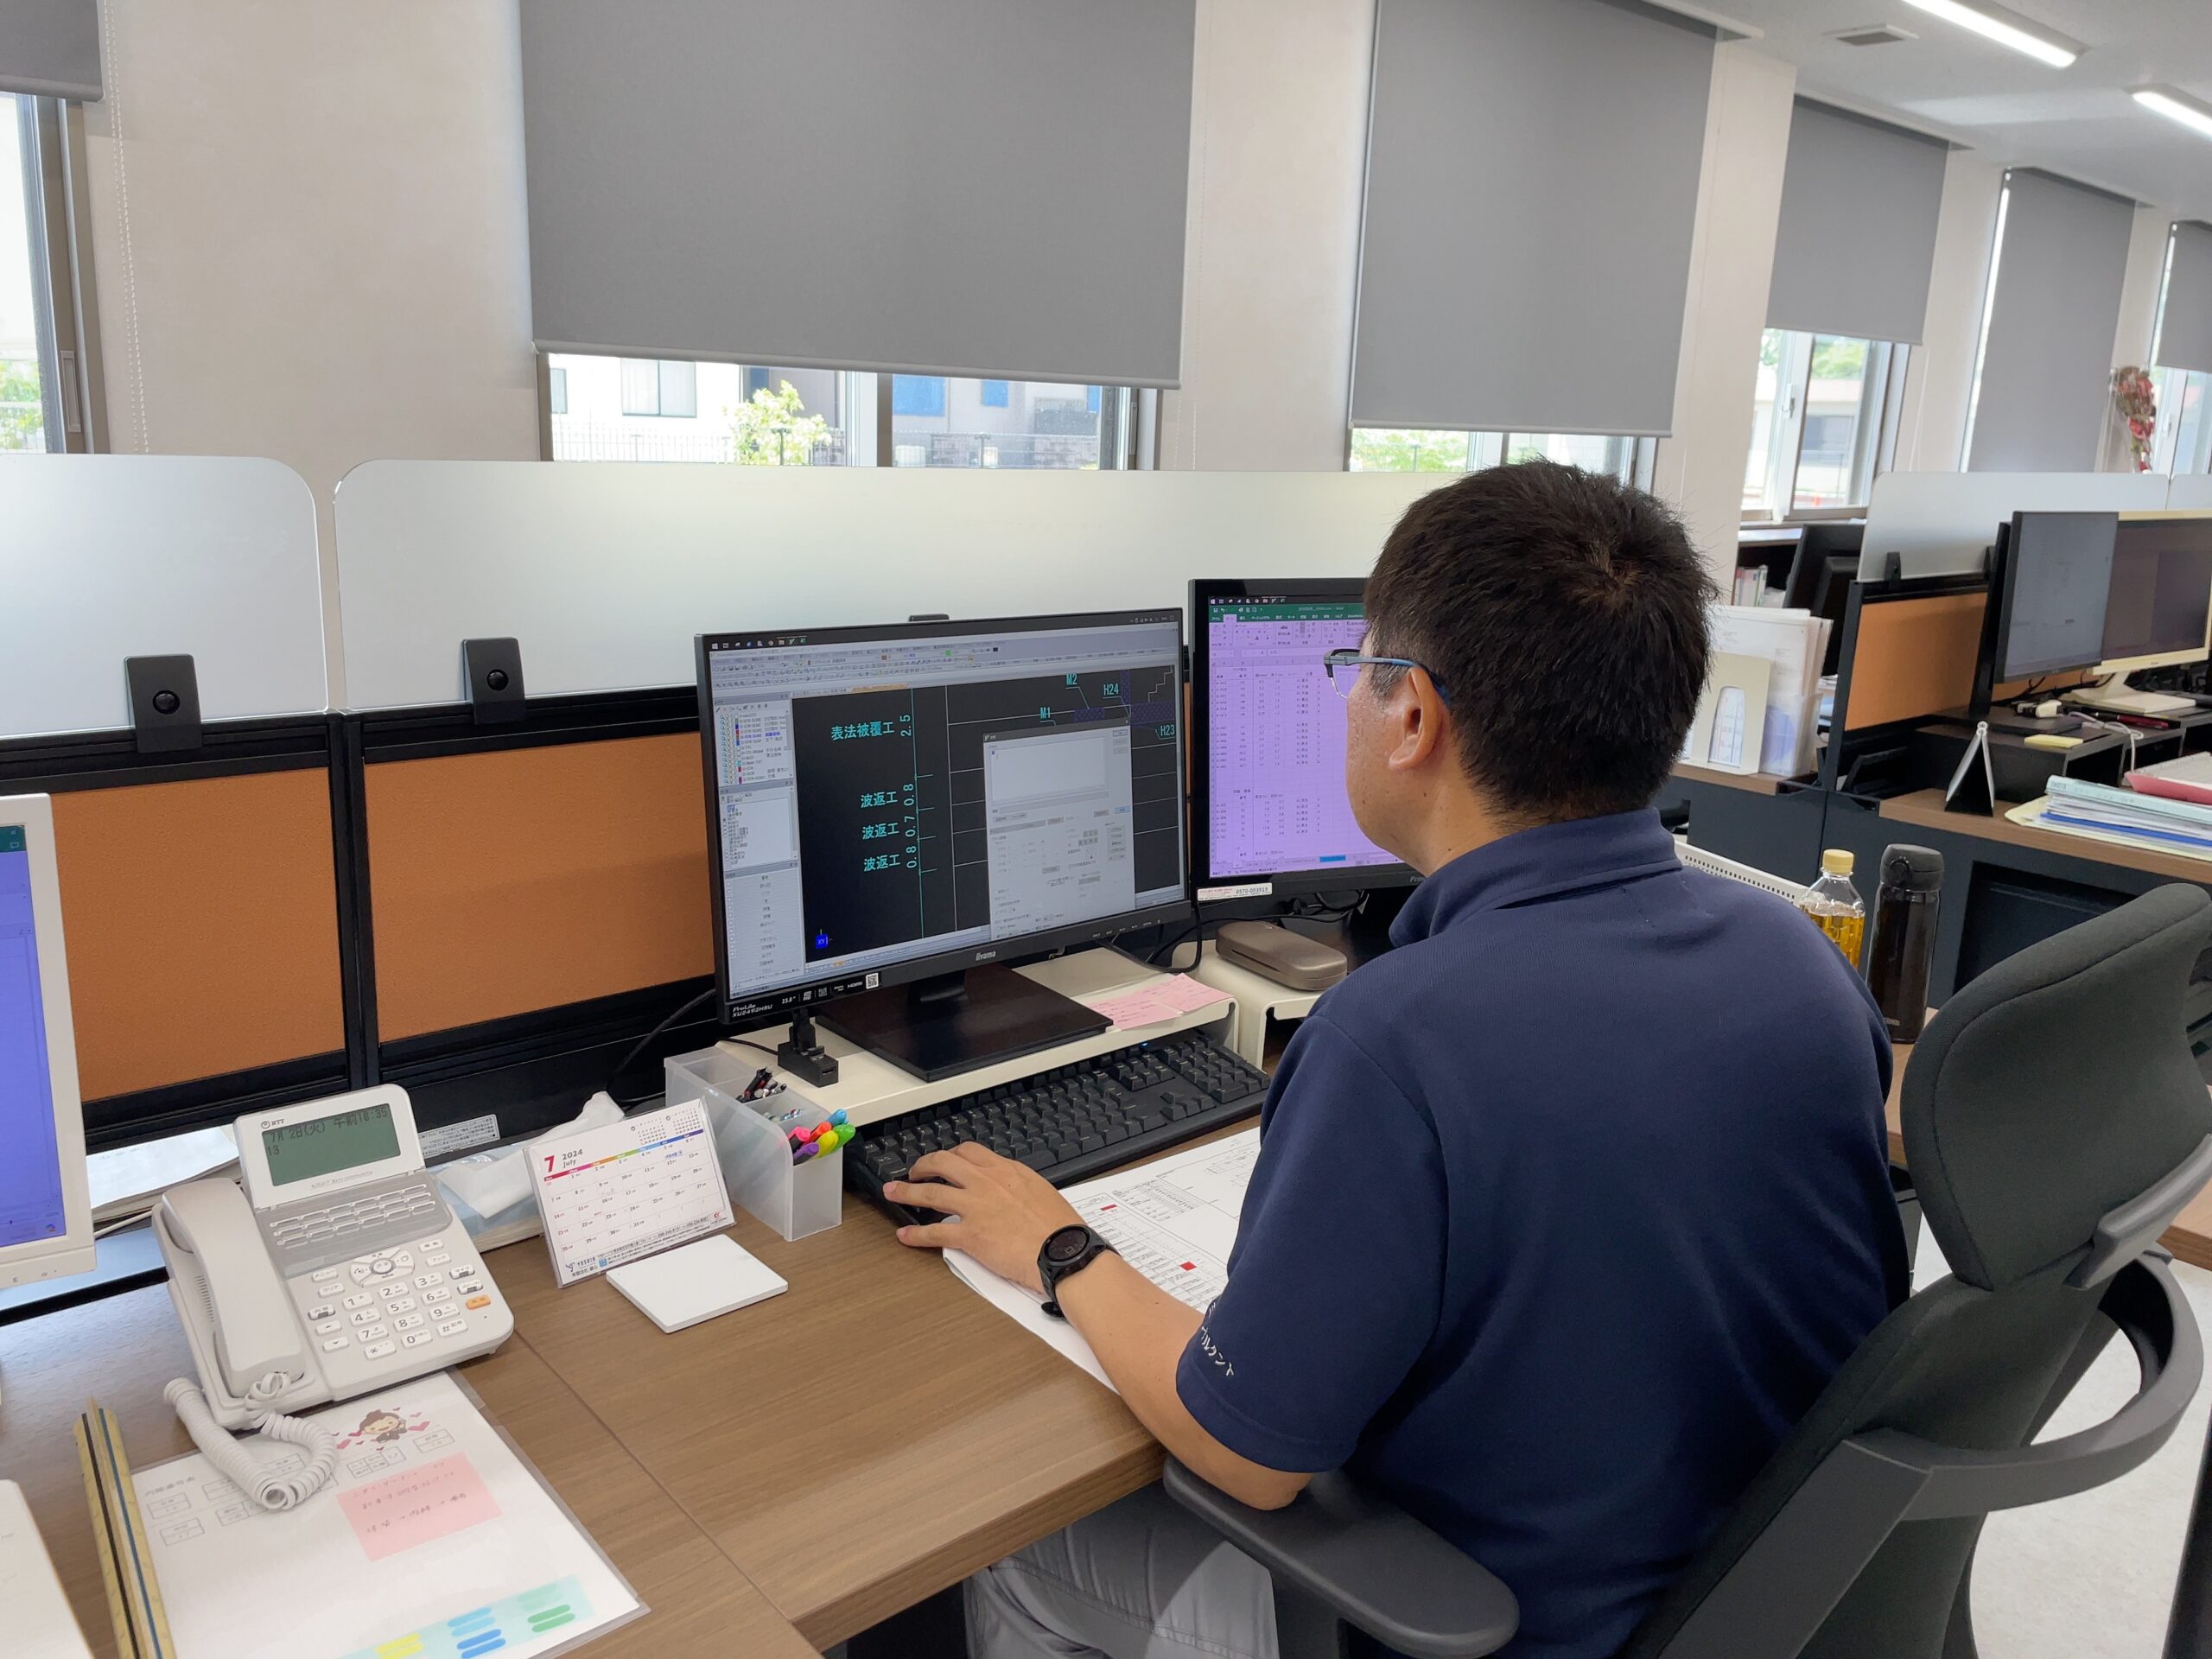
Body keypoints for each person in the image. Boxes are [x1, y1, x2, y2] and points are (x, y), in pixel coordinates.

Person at [888, 461, 1910, 1659]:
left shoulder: (1395, 1039)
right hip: (1758, 1603)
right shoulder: (1797, 961)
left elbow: (1248, 1453)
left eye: (1357, 666)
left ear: (1414, 716)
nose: (1348, 701)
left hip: (1486, 1627)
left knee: (1012, 1555)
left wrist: (1060, 1249)